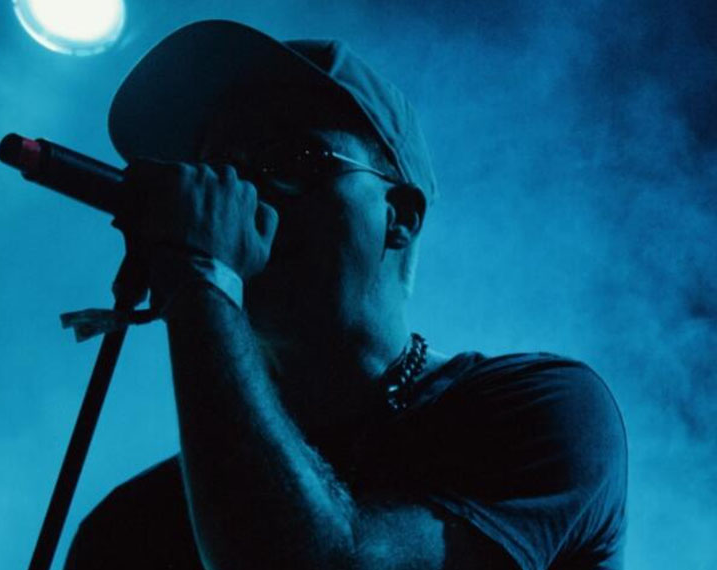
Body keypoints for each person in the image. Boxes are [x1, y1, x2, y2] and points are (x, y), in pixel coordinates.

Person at [64, 19, 627, 570]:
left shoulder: (541, 412)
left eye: (292, 161)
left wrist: (202, 278)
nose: (240, 198)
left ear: (399, 217)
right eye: (216, 172)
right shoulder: (131, 528)